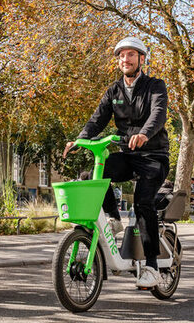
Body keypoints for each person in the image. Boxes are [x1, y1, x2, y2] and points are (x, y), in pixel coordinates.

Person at [64, 36, 169, 289]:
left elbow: (158, 113)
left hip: (154, 156)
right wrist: (79, 140)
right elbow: (97, 120)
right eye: (122, 55)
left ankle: (153, 267)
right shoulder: (114, 91)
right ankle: (114, 218)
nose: (126, 59)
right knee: (93, 177)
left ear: (142, 59)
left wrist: (145, 133)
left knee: (144, 203)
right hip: (128, 156)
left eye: (131, 55)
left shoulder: (155, 86)